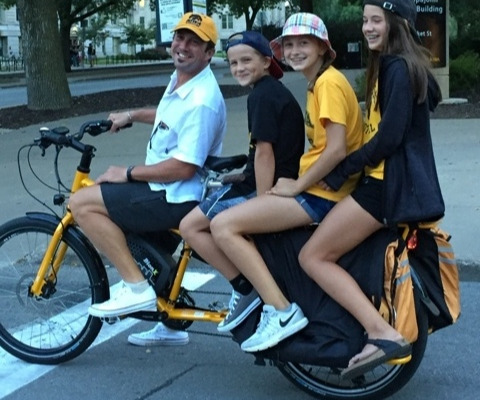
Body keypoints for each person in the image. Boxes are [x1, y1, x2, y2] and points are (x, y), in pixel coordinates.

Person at [297, 0, 444, 379]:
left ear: (397, 24)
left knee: (313, 257)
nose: (367, 28)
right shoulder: (406, 68)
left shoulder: (397, 68)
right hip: (383, 183)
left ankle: (381, 333)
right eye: (365, 20)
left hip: (383, 188)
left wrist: (346, 166)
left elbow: (390, 137)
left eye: (376, 20)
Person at [132, 30, 305, 344]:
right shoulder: (271, 92)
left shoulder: (261, 97)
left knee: (190, 227)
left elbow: (265, 154)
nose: (239, 68)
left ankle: (247, 289)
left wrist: (262, 204)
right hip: (263, 179)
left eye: (246, 61)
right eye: (234, 62)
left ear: (267, 62)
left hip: (266, 186)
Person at [209, 13, 363, 353]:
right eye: (289, 44)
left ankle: (280, 310)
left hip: (322, 194)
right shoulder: (317, 84)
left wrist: (295, 185)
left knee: (222, 226)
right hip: (320, 188)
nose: (294, 50)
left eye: (303, 43)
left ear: (323, 47)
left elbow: (335, 149)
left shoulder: (328, 84)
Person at [69, 11, 227, 335]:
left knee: (82, 203)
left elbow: (185, 166)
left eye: (194, 42)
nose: (182, 46)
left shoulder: (201, 100)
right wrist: (131, 115)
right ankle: (170, 325)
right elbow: (169, 115)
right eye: (179, 38)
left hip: (174, 194)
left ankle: (135, 289)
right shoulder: (185, 81)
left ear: (209, 53)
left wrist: (126, 173)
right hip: (166, 189)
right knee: (141, 244)